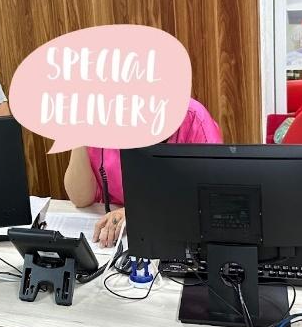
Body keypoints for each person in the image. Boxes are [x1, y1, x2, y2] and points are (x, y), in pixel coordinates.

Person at [64, 99, 222, 247]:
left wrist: (138, 213)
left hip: (174, 235)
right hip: (116, 241)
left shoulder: (193, 117)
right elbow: (81, 198)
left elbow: (213, 199)